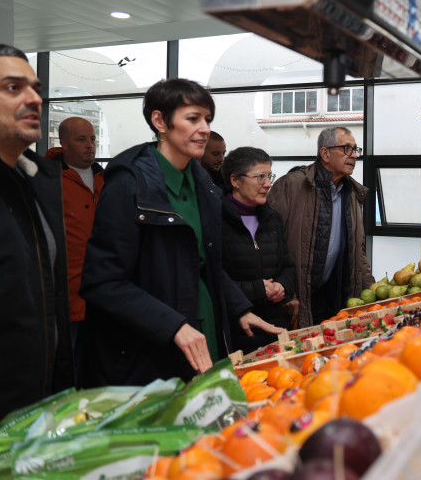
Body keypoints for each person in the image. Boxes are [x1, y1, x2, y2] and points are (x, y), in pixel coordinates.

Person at [79, 78, 283, 386]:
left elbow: (205, 264)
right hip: (151, 348)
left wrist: (239, 309)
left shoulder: (202, 185)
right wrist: (173, 326)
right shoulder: (129, 185)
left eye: (207, 119)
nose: (204, 129)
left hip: (205, 334)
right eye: (192, 118)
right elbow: (102, 283)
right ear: (159, 121)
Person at [0, 43, 73, 442]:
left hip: (34, 419)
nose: (34, 99)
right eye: (13, 88)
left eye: (35, 88)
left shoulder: (36, 182)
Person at [267, 126, 375, 327]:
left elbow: (357, 251)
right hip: (296, 298)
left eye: (355, 150)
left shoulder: (351, 193)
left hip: (334, 294)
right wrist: (286, 292)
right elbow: (269, 245)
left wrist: (371, 288)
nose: (353, 156)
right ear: (325, 153)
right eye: (346, 149)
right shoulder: (292, 185)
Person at [221, 146, 296, 353]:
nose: (268, 184)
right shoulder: (216, 220)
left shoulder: (272, 218)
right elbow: (214, 280)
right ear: (235, 180)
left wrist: (282, 286)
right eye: (260, 176)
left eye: (270, 176)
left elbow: (288, 266)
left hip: (275, 327)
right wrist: (257, 290)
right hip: (237, 332)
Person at [44, 117, 104, 362]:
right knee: (69, 365)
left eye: (92, 139)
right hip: (66, 293)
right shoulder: (48, 181)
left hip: (103, 293)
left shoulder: (105, 179)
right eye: (82, 140)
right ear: (64, 143)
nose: (90, 145)